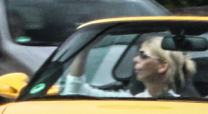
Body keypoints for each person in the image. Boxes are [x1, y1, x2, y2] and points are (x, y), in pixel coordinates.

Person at [62, 36, 195, 98]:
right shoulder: (127, 101)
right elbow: (75, 92)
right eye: (138, 54)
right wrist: (84, 51)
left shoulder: (187, 106)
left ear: (162, 66)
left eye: (144, 55)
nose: (135, 59)